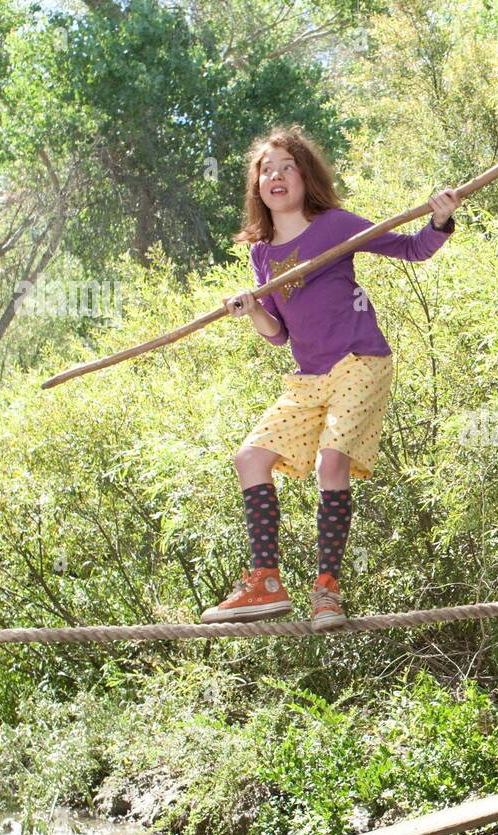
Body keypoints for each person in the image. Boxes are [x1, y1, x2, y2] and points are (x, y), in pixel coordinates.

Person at [202, 125, 460, 627]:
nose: (276, 176)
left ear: (304, 176)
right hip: (310, 376)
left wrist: (441, 219)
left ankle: (327, 591)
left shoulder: (336, 225)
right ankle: (266, 583)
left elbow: (413, 248)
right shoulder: (263, 253)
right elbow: (278, 334)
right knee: (250, 457)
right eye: (266, 170)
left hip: (360, 361)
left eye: (287, 167)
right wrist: (252, 308)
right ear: (257, 186)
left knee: (330, 463)